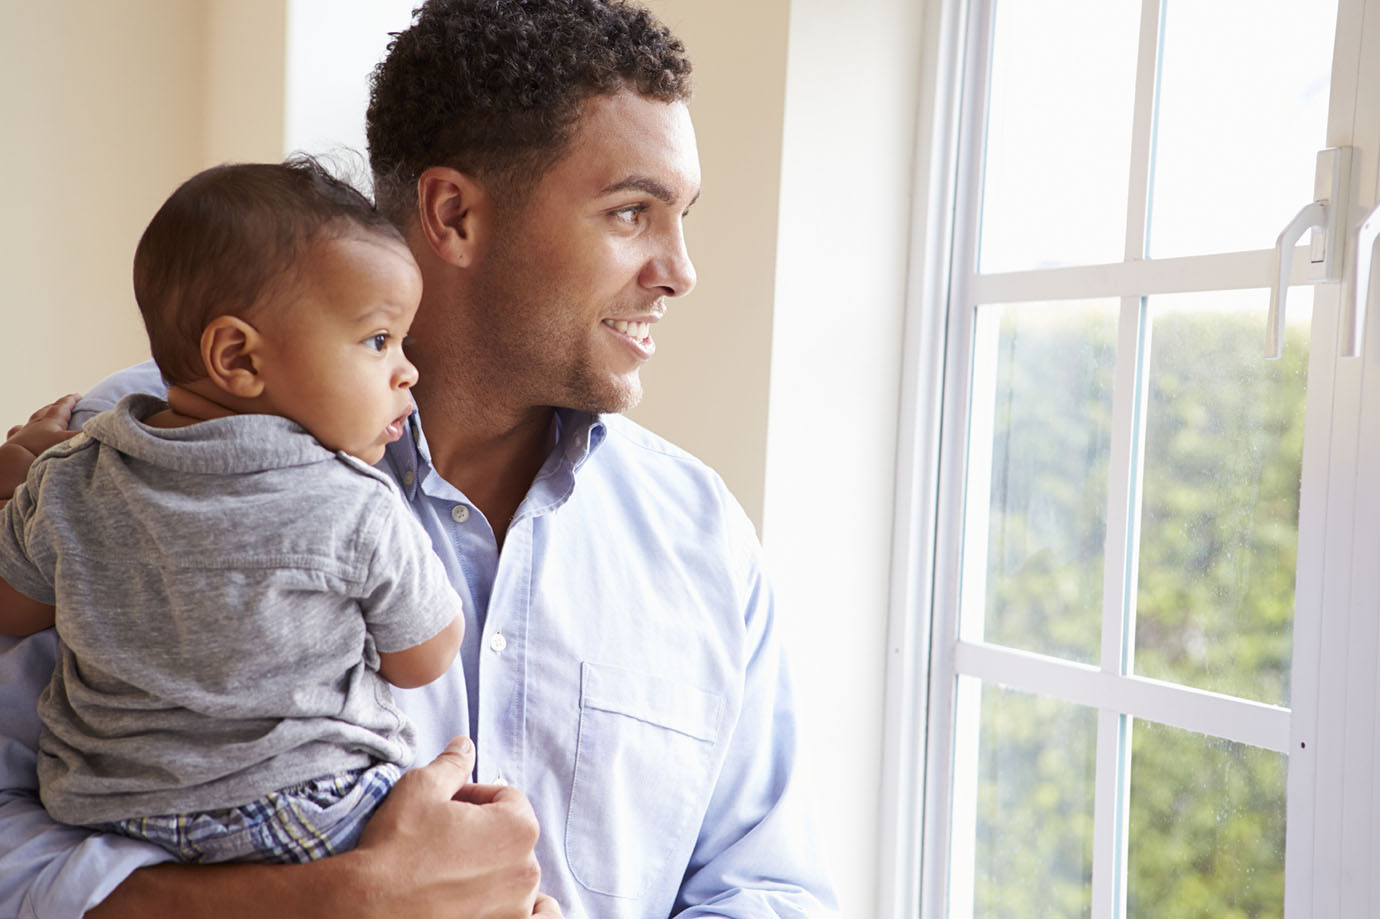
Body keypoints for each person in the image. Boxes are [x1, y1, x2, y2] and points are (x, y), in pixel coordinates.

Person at [0, 0, 837, 916]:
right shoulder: (119, 459)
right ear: (454, 214)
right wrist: (333, 903)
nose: (679, 270)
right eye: (631, 212)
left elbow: (767, 887)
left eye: (682, 218)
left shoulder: (701, 534)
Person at [0, 159, 466, 865]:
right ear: (237, 356)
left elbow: (12, 610)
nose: (409, 370)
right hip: (312, 816)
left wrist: (17, 492)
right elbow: (423, 659)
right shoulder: (357, 505)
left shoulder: (68, 478)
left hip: (114, 819)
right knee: (472, 864)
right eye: (379, 341)